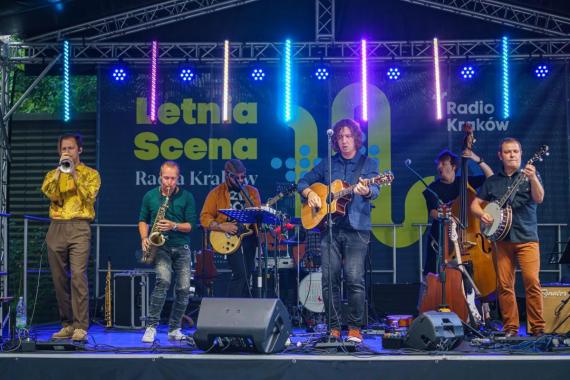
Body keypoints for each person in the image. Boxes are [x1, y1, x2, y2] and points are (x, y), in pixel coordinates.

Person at [297, 118, 379, 344]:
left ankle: (354, 328)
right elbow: (303, 181)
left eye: (348, 136)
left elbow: (376, 189)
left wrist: (366, 191)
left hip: (357, 229)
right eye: (340, 137)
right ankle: (334, 328)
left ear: (356, 138)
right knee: (328, 280)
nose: (343, 141)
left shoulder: (368, 164)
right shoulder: (328, 164)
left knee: (354, 279)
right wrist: (309, 194)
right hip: (330, 229)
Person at [471, 138, 545, 337]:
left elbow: (539, 198)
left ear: (521, 154)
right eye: (507, 152)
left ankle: (537, 328)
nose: (512, 155)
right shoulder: (493, 181)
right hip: (502, 240)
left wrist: (534, 179)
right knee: (504, 285)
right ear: (500, 156)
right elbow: (475, 205)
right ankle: (510, 328)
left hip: (527, 237)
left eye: (515, 151)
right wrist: (482, 214)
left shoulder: (530, 174)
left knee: (532, 281)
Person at [42, 133, 101, 342]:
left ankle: (80, 326)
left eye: (71, 148)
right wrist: (60, 172)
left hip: (79, 226)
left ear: (79, 150)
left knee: (78, 275)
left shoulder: (91, 174)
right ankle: (66, 324)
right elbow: (51, 194)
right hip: (57, 226)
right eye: (64, 149)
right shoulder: (52, 174)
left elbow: (90, 196)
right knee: (59, 279)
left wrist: (74, 173)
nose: (67, 152)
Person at [139, 161, 197, 343]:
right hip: (160, 246)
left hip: (182, 247)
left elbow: (191, 226)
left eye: (172, 178)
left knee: (183, 289)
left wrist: (174, 225)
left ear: (178, 178)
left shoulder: (187, 197)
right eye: (166, 178)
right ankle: (151, 327)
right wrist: (144, 237)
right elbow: (142, 220)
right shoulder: (150, 196)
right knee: (162, 282)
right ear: (160, 176)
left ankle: (174, 328)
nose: (169, 182)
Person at [422, 149, 493, 276]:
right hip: (441, 234)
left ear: (453, 166)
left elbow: (490, 177)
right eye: (438, 164)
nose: (439, 166)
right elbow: (432, 212)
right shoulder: (432, 188)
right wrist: (447, 217)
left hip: (469, 232)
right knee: (433, 272)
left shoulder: (464, 181)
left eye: (443, 164)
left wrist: (477, 159)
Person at [200, 159, 261, 298]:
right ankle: (230, 309)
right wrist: (222, 226)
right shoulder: (216, 193)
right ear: (227, 175)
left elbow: (257, 214)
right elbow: (204, 218)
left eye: (243, 177)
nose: (240, 180)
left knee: (248, 273)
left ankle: (244, 310)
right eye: (237, 177)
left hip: (249, 237)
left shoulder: (252, 192)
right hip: (229, 237)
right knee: (240, 273)